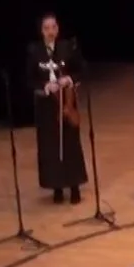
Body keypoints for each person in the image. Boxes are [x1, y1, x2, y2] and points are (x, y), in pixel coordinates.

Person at [27, 14, 89, 204]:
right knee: (50, 147)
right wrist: (44, 86)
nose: (50, 32)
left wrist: (69, 79)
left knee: (70, 144)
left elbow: (81, 69)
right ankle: (57, 188)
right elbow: (29, 79)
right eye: (46, 28)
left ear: (58, 29)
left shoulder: (67, 47)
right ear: (41, 31)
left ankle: (74, 186)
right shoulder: (34, 51)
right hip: (46, 108)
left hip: (66, 102)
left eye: (53, 27)